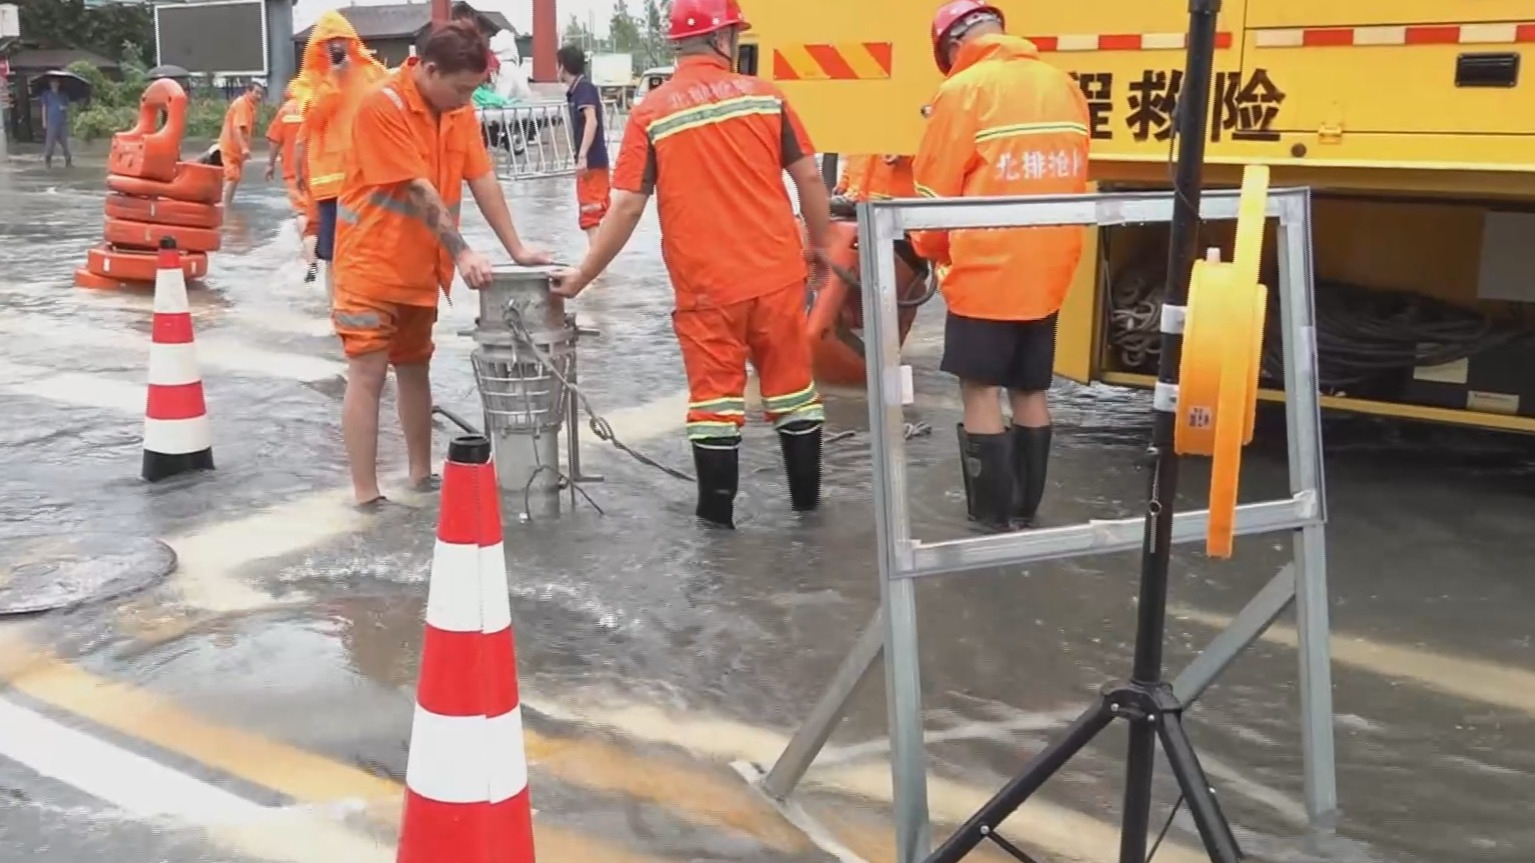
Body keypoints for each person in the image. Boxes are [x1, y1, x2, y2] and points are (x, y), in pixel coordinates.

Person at [550, 0, 831, 530]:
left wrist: (582, 277)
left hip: (706, 285)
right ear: (724, 39)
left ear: (679, 44)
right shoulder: (766, 97)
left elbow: (628, 205)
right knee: (794, 392)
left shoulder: (651, 112)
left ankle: (717, 530)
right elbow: (810, 179)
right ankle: (808, 512)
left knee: (715, 404)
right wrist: (818, 247)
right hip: (776, 272)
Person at [331, 21, 551, 509]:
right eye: (460, 88)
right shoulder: (382, 105)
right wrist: (463, 251)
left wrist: (515, 248)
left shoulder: (458, 112)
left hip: (419, 269)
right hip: (370, 264)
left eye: (472, 89)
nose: (465, 98)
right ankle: (367, 497)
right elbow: (417, 188)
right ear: (429, 70)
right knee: (367, 373)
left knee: (415, 367)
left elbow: (482, 177)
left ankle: (419, 475)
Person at [911, 0, 1090, 531]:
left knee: (980, 386)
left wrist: (930, 250)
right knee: (1030, 388)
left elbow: (933, 191)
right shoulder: (1062, 84)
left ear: (951, 48)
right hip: (1052, 263)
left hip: (987, 268)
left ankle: (988, 516)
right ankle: (1025, 510)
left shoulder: (963, 91)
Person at [297, 11, 387, 297]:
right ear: (318, 47)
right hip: (331, 184)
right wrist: (333, 80)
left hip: (370, 179)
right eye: (328, 42)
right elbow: (312, 120)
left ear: (351, 41)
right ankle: (336, 311)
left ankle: (368, 304)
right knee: (333, 254)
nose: (334, 47)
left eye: (340, 41)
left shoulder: (372, 73)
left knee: (371, 251)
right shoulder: (310, 81)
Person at [556, 44, 610, 244]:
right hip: (593, 162)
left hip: (592, 163)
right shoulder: (577, 90)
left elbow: (591, 120)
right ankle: (600, 268)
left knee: (591, 217)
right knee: (594, 215)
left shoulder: (584, 88)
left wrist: (582, 157)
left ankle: (598, 271)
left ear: (563, 67)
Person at [265, 81, 309, 232]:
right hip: (315, 169)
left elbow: (274, 140)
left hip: (292, 169)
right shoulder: (314, 105)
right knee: (316, 211)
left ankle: (306, 250)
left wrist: (270, 164)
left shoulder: (285, 111)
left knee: (301, 211)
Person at [218, 79, 265, 207]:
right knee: (232, 176)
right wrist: (244, 148)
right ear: (248, 91)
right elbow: (237, 128)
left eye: (261, 94)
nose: (259, 97)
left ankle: (226, 204)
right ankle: (224, 207)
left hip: (236, 148)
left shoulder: (249, 106)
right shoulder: (242, 104)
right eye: (257, 93)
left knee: (235, 178)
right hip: (230, 147)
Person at [40, 78, 73, 169]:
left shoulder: (63, 95)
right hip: (51, 121)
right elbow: (44, 107)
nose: (54, 84)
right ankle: (48, 161)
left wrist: (64, 108)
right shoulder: (46, 94)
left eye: (56, 82)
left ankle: (68, 161)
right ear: (50, 83)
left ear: (59, 83)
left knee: (65, 143)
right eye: (53, 82)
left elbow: (67, 106)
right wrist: (44, 121)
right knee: (50, 143)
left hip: (62, 121)